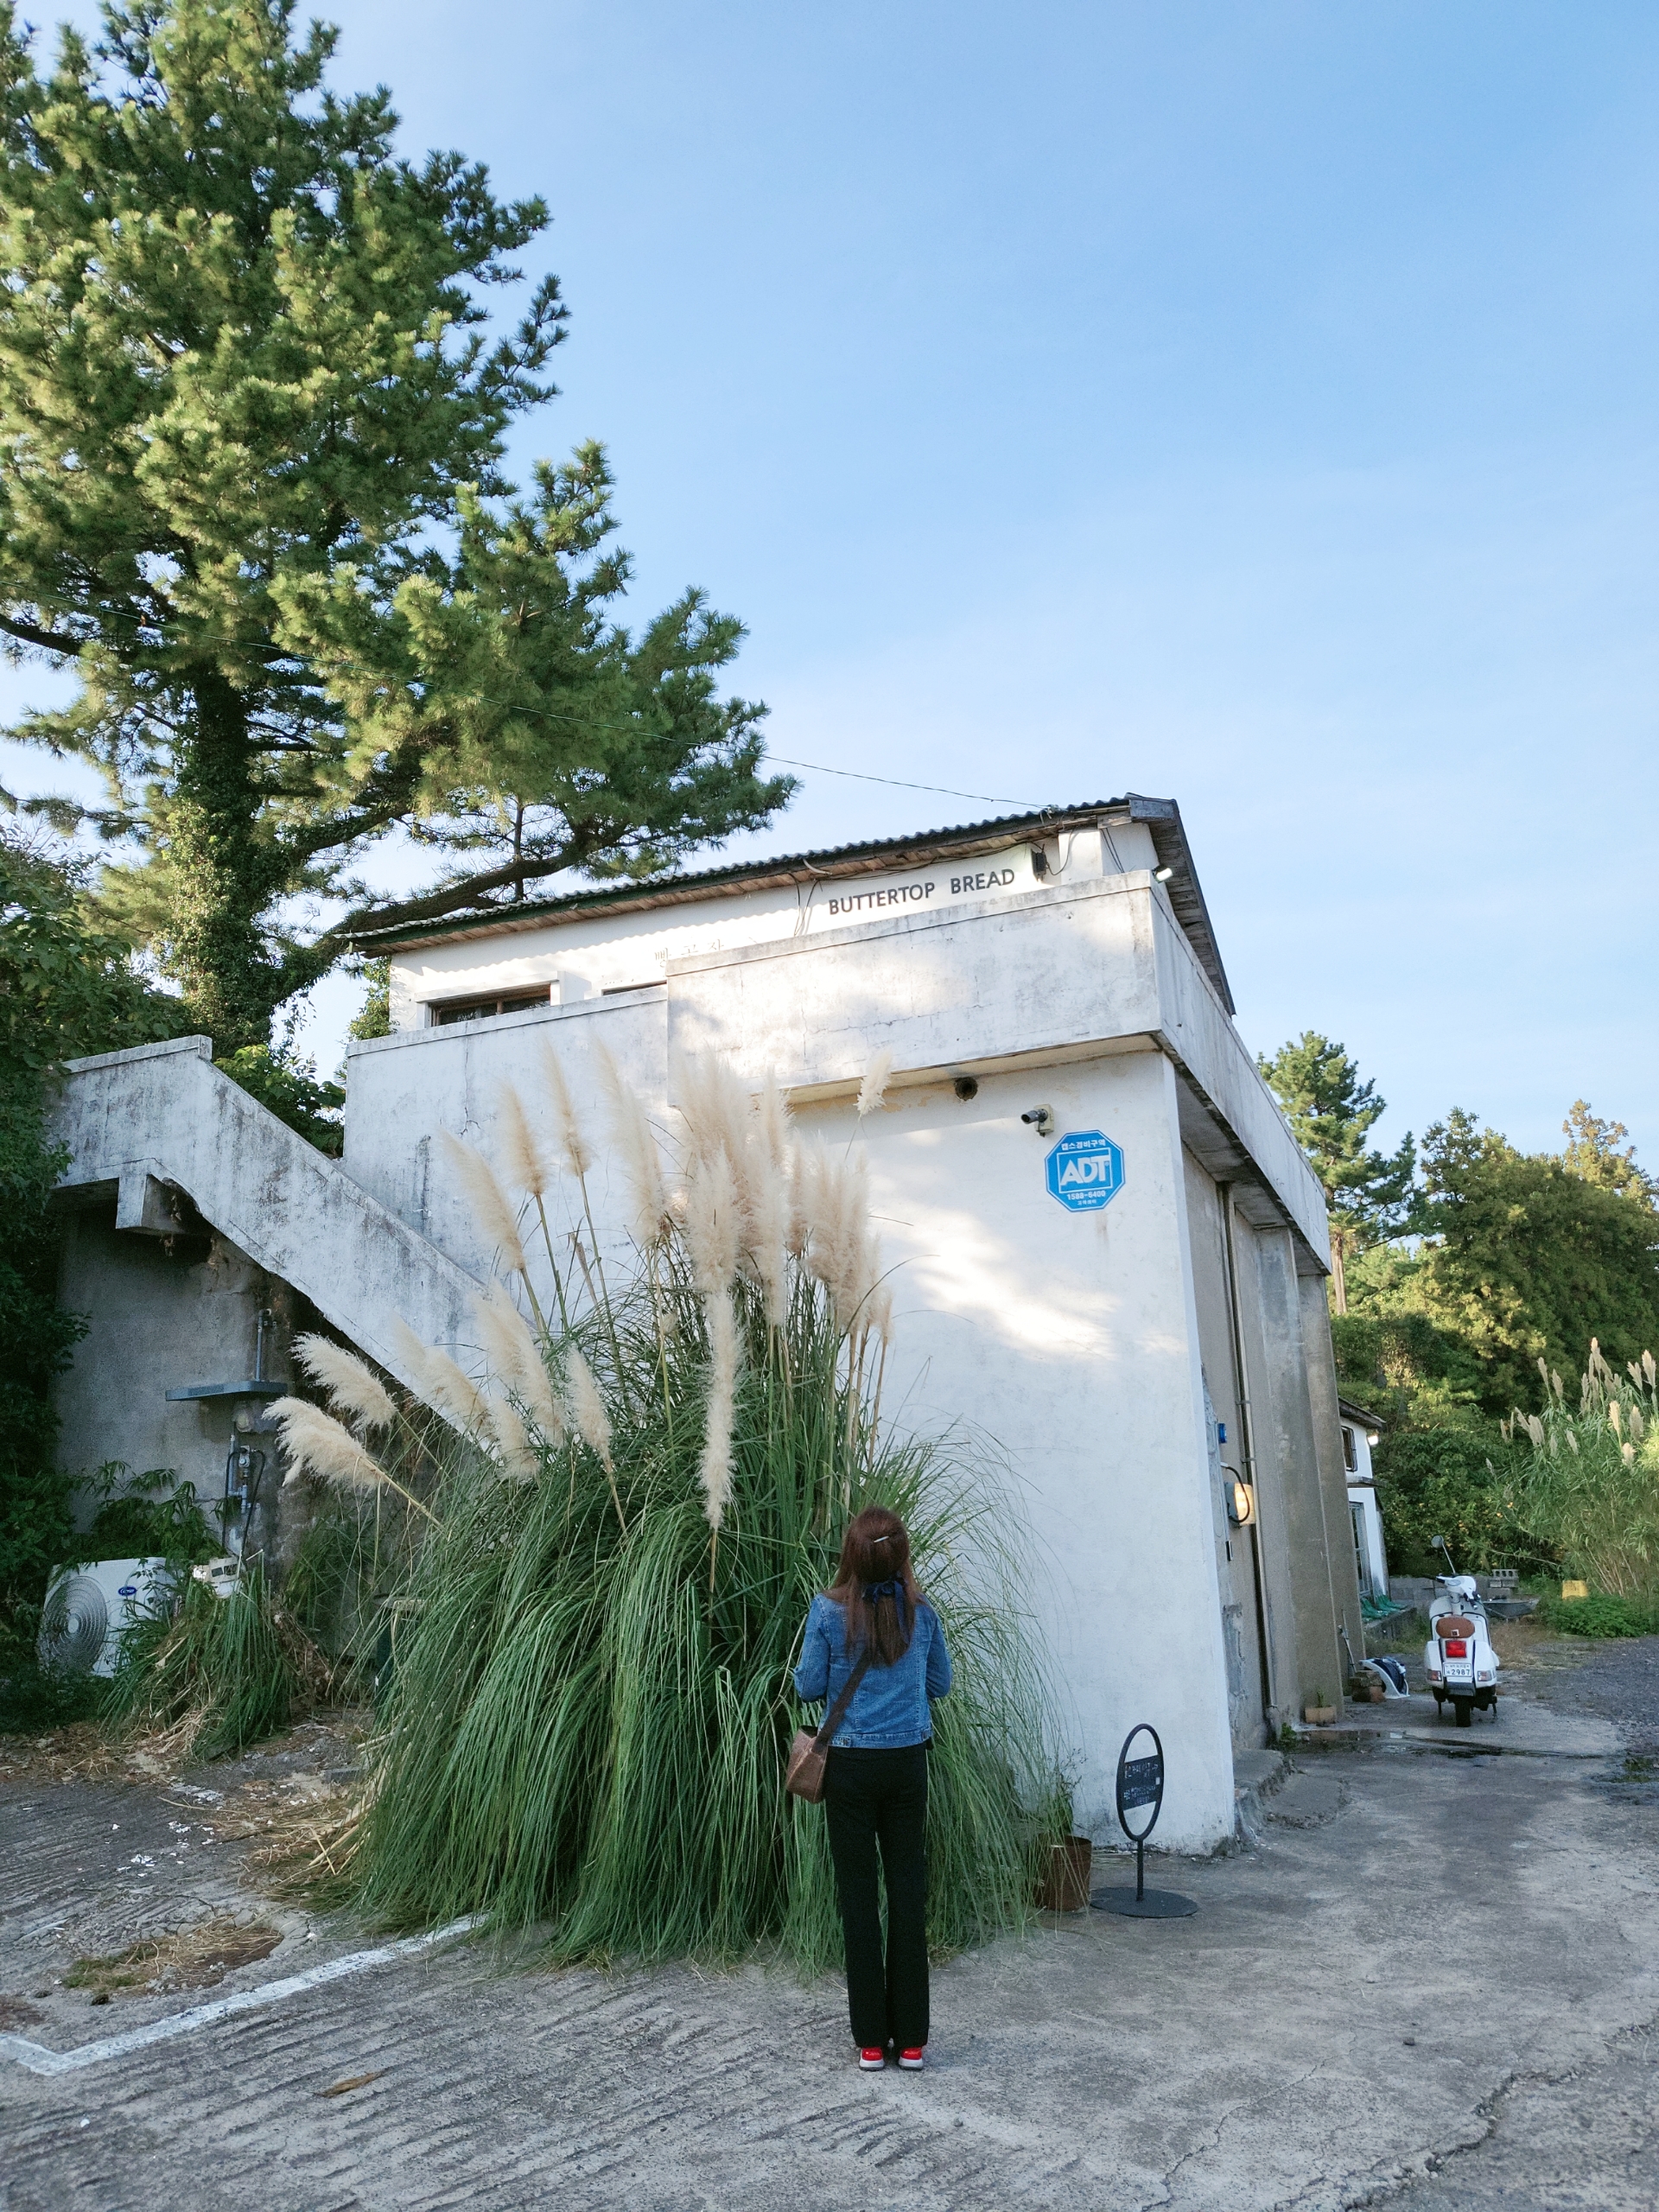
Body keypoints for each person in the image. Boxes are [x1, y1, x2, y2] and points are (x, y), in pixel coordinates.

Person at [792, 1504, 953, 2072]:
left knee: (858, 1899)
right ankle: (910, 2041)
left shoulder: (825, 1611)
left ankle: (869, 2040)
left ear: (852, 1556)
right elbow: (941, 1684)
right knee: (908, 1894)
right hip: (907, 1766)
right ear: (902, 1555)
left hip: (851, 1770)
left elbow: (808, 1685)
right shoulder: (922, 1614)